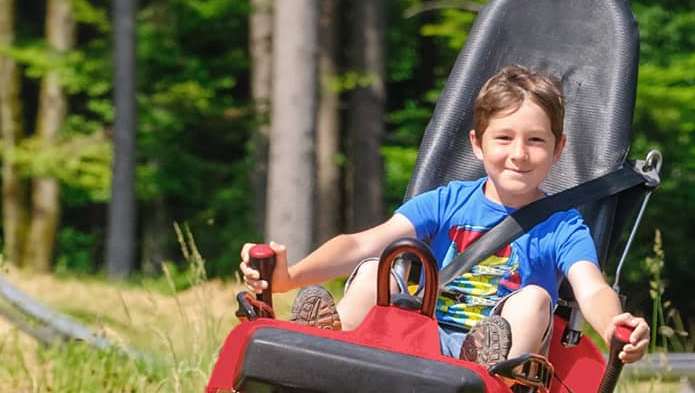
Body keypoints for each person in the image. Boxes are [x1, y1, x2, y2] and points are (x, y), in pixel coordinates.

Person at [240, 65, 650, 368]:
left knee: (534, 299)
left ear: (558, 149)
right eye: (504, 138)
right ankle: (330, 355)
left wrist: (616, 325)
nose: (519, 154)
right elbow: (363, 242)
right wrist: (290, 277)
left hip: (496, 357)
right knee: (373, 269)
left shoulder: (563, 226)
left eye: (536, 141)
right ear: (477, 144)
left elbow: (591, 288)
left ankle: (489, 376)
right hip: (422, 337)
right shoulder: (448, 200)